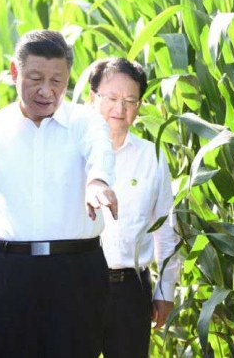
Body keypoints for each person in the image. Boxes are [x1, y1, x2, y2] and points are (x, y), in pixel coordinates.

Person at [0, 29, 118, 358]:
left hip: (77, 272)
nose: (46, 91)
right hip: (10, 272)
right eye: (35, 79)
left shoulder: (86, 122)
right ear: (14, 72)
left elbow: (100, 152)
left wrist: (98, 182)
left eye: (57, 81)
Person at [88, 58, 181, 358]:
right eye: (111, 98)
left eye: (130, 100)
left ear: (139, 105)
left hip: (130, 289)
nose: (120, 108)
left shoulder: (152, 156)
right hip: (77, 285)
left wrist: (165, 290)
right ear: (92, 97)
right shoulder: (73, 152)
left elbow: (166, 227)